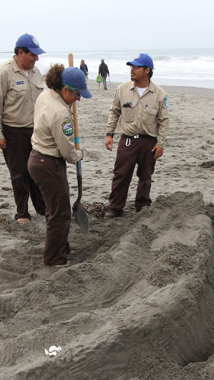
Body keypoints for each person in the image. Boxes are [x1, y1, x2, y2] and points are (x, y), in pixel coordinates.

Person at [28, 65, 91, 267]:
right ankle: (54, 258)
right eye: (77, 95)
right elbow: (67, 152)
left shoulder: (45, 96)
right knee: (60, 214)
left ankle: (61, 247)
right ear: (65, 90)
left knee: (54, 209)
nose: (78, 100)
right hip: (49, 164)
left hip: (36, 159)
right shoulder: (61, 114)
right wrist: (78, 155)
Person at [0, 33, 47, 224]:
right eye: (33, 55)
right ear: (20, 52)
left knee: (37, 170)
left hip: (35, 130)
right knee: (19, 173)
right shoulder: (3, 73)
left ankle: (42, 208)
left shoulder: (36, 72)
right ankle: (22, 213)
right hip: (13, 131)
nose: (36, 59)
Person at [104, 53, 169, 218]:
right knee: (121, 174)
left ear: (147, 70)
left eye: (136, 67)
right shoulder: (122, 89)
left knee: (146, 176)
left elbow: (164, 120)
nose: (132, 70)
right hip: (127, 140)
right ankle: (115, 207)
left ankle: (142, 206)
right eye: (131, 67)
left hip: (149, 141)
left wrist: (160, 143)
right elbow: (114, 112)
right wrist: (109, 134)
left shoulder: (159, 94)